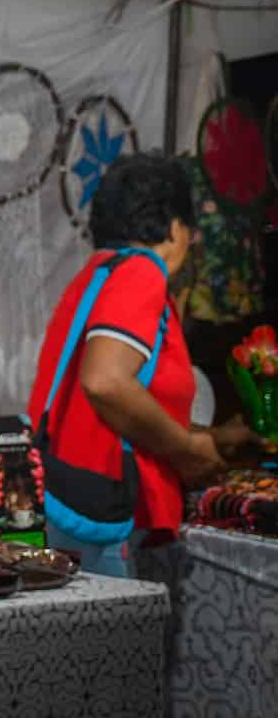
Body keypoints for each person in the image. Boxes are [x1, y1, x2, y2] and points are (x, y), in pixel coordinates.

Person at [27, 152, 258, 577]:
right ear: (174, 228)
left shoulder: (98, 275)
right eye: (190, 231)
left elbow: (125, 403)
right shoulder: (141, 274)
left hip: (72, 498)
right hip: (112, 517)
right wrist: (187, 451)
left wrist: (214, 436)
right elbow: (106, 382)